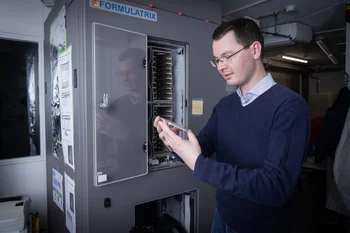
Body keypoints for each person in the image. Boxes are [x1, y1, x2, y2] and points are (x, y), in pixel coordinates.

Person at [154, 18, 311, 233]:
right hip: (223, 216)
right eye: (217, 60)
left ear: (255, 50)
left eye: (227, 57)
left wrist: (201, 165)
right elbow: (202, 147)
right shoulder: (225, 106)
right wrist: (175, 143)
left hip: (261, 225)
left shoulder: (289, 107)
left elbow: (276, 187)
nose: (221, 67)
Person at [97, 48, 146, 178]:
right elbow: (102, 145)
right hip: (123, 173)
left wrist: (126, 135)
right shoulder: (117, 104)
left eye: (130, 73)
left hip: (148, 173)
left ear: (144, 70)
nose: (125, 79)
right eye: (121, 74)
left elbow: (159, 148)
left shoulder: (155, 104)